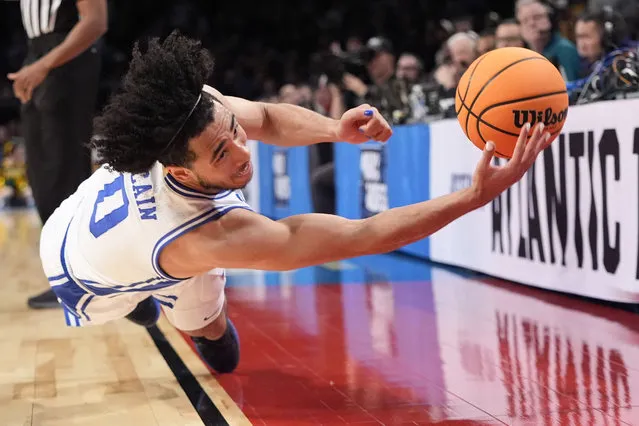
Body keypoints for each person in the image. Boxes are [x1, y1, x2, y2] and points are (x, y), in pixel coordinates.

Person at [39, 31, 552, 375]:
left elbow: (263, 115)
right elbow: (363, 235)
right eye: (223, 152)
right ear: (178, 170)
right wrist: (474, 196)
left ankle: (151, 296)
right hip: (84, 275)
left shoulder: (194, 112)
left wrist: (336, 129)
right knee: (216, 338)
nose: (243, 152)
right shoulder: (207, 236)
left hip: (90, 214)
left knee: (209, 334)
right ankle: (138, 300)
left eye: (234, 134)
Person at [8, 0, 108, 309]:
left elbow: (96, 22)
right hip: (37, 54)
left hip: (66, 60)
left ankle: (80, 278)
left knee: (63, 171)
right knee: (41, 175)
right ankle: (64, 274)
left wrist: (43, 64)